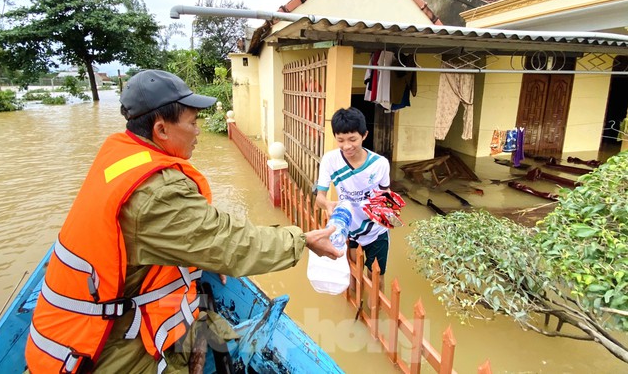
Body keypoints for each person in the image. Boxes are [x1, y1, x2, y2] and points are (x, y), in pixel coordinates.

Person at [25, 69, 341, 373]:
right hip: (101, 351)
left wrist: (205, 258)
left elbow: (197, 234)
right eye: (192, 122)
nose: (199, 130)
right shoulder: (157, 192)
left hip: (72, 328)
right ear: (161, 129)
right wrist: (302, 240)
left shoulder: (123, 156)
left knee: (204, 326)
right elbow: (231, 245)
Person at [315, 107, 392, 291]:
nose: (347, 146)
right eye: (340, 140)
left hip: (376, 229)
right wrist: (327, 204)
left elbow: (386, 193)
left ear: (364, 135)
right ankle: (355, 306)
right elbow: (320, 197)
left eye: (352, 139)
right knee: (350, 272)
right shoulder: (330, 160)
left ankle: (374, 313)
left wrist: (389, 211)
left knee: (376, 276)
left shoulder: (379, 164)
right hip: (347, 227)